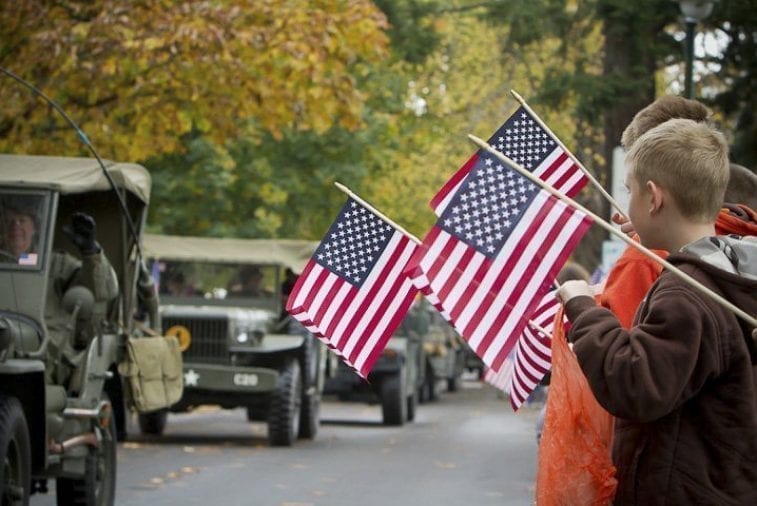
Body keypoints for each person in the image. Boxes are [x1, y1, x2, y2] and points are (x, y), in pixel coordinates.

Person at [556, 119, 757, 504]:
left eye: (629, 192)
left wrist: (582, 307)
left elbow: (635, 383)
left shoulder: (687, 293)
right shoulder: (729, 271)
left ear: (653, 198)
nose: (625, 206)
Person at [602, 96, 757, 328]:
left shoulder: (646, 258)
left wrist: (581, 305)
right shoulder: (746, 246)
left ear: (654, 195)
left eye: (633, 188)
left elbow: (620, 356)